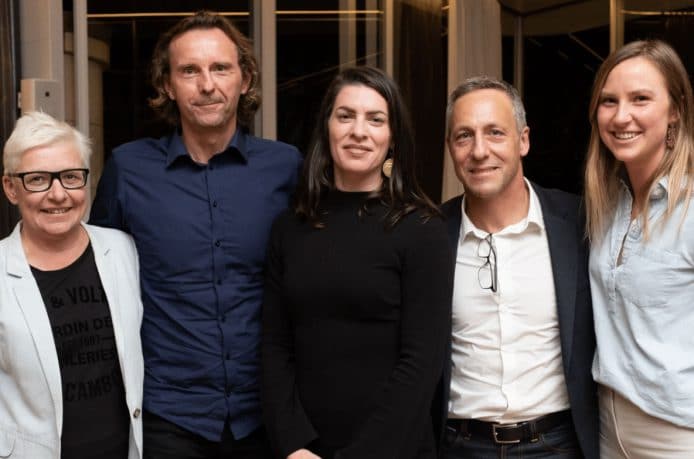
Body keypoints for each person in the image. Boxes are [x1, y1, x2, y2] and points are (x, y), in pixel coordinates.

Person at [89, 11, 302, 459]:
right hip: (169, 416)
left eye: (220, 68)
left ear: (245, 79)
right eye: (189, 71)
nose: (207, 85)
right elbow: (100, 282)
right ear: (167, 85)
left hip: (266, 416)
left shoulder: (285, 168)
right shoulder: (128, 170)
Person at [261, 66, 453, 459]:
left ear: (393, 137)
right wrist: (292, 443)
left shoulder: (422, 229)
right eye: (345, 116)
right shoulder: (290, 228)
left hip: (395, 450)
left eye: (375, 119)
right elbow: (274, 347)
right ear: (327, 127)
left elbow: (421, 363)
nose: (359, 131)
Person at [437, 76, 598, 458]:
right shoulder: (430, 234)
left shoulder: (579, 223)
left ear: (523, 140)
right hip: (459, 447)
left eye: (495, 132)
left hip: (557, 445)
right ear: (450, 148)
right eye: (464, 136)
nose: (479, 151)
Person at [0, 111, 144, 458]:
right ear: (11, 188)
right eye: (37, 179)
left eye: (70, 177)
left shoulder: (123, 250)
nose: (58, 194)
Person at [584, 39, 694, 458]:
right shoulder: (607, 203)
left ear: (675, 110)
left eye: (640, 99)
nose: (621, 116)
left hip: (678, 432)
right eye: (609, 101)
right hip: (608, 426)